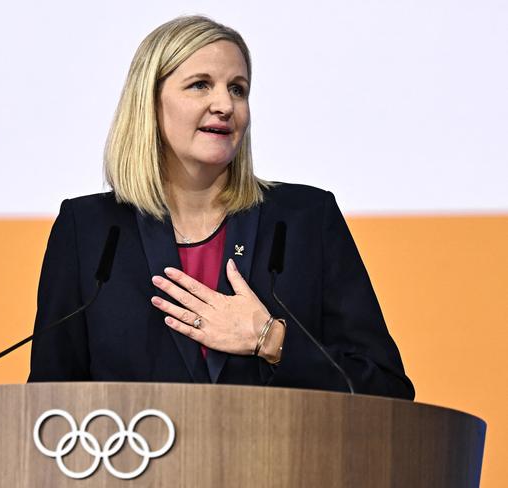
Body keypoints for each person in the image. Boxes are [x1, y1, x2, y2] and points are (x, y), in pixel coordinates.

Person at [28, 15, 414, 399]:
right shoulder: (90, 231)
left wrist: (270, 339)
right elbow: (46, 404)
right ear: (149, 103)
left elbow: (386, 389)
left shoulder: (306, 220)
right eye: (200, 85)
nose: (225, 105)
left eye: (238, 89)